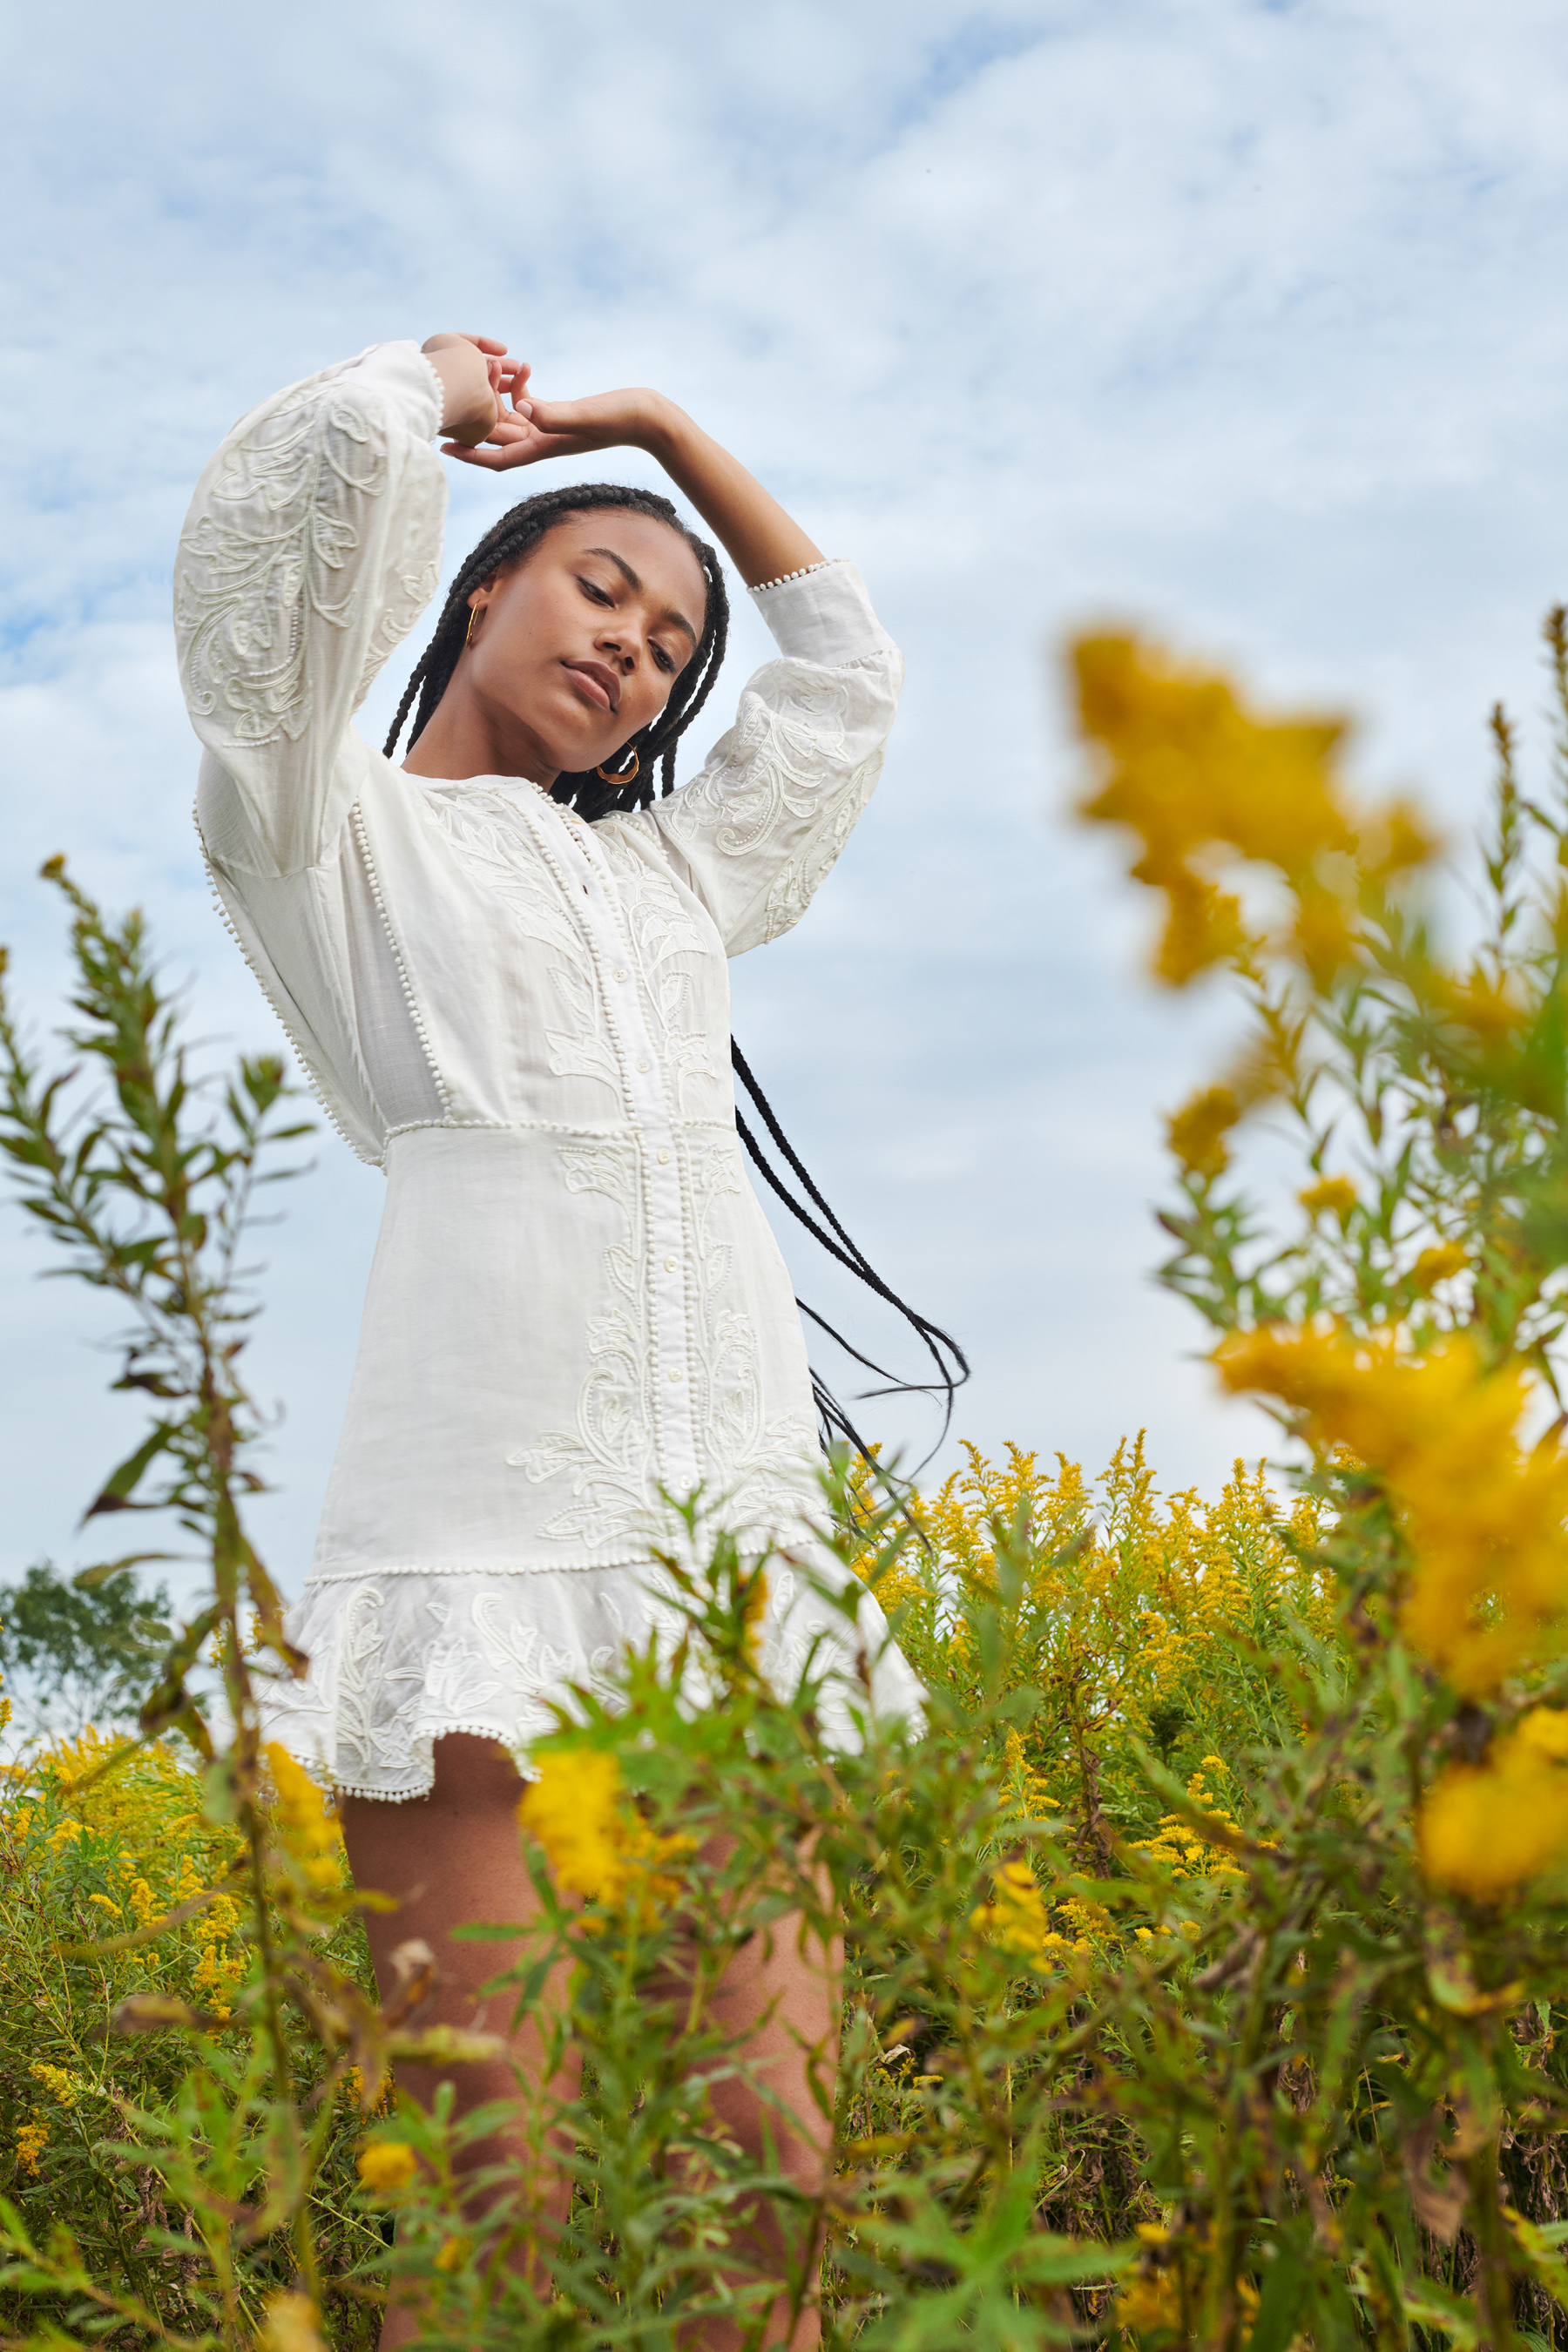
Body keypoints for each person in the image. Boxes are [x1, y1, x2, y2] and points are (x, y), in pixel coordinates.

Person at [174, 330, 923, 2347]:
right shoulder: (324, 830)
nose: (647, 653)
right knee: (504, 2215)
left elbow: (843, 687)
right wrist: (420, 389)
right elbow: (274, 563)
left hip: (728, 1566)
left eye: (677, 641)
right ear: (479, 583)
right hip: (472, 1538)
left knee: (776, 2179)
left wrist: (673, 435)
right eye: (605, 587)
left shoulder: (674, 874)